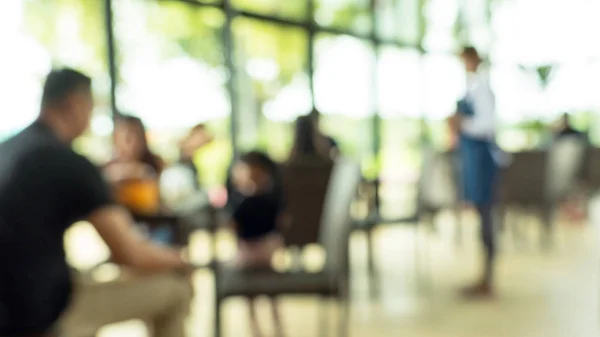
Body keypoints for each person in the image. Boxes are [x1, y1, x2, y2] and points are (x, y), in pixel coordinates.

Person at [0, 68, 193, 337]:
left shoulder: (8, 149)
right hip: (39, 313)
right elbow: (131, 254)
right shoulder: (70, 162)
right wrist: (181, 261)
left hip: (10, 302)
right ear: (75, 102)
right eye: (91, 106)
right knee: (176, 290)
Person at [449, 46, 498, 297]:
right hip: (472, 159)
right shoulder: (471, 88)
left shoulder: (482, 89)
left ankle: (488, 278)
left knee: (486, 217)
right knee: (481, 216)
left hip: (483, 161)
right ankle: (483, 277)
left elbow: (487, 125)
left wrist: (461, 123)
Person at [228, 151, 286, 337]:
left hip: (250, 253)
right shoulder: (273, 199)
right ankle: (272, 327)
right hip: (267, 250)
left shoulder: (243, 202)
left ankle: (257, 328)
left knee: (253, 293)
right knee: (270, 292)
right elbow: (283, 222)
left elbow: (233, 225)